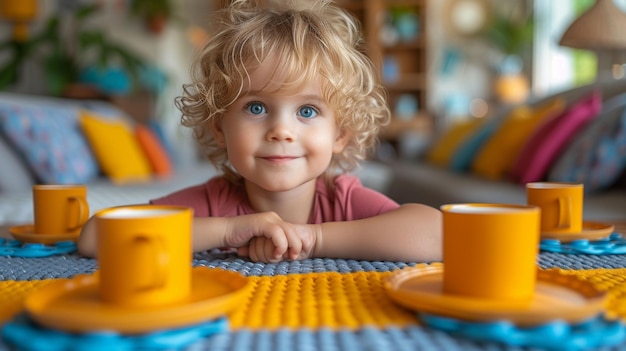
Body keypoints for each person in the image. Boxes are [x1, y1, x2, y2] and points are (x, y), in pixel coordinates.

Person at [78, 0, 442, 262]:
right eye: (256, 107)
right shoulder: (213, 205)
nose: (281, 130)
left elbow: (438, 234)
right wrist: (224, 232)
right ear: (219, 126)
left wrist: (313, 239)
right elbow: (96, 236)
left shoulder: (340, 199)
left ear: (340, 134)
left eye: (308, 110)